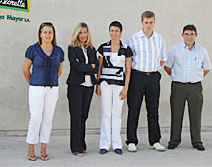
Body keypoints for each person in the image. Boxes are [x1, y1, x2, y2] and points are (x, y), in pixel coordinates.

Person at [164, 24, 212, 151]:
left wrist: (196, 77)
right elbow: (167, 66)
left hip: (195, 87)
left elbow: (207, 69)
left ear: (196, 35)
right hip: (178, 86)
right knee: (176, 113)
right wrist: (177, 76)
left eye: (192, 34)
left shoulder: (202, 51)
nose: (189, 37)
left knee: (195, 114)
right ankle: (174, 140)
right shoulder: (174, 49)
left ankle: (196, 141)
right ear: (182, 35)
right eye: (186, 34)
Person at [125, 11, 167, 152]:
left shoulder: (160, 39)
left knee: (153, 110)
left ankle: (154, 141)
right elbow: (127, 61)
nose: (148, 25)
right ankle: (131, 141)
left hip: (153, 77)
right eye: (146, 22)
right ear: (141, 22)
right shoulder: (133, 39)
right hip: (137, 77)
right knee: (134, 109)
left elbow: (162, 59)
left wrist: (152, 71)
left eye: (151, 22)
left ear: (154, 22)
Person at [23, 22, 64, 161]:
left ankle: (44, 148)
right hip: (36, 87)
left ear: (53, 35)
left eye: (50, 32)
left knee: (48, 119)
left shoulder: (59, 51)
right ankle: (31, 148)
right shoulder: (32, 50)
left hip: (52, 88)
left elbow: (59, 71)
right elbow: (25, 69)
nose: (47, 35)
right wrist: (33, 82)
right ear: (40, 34)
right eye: (45, 32)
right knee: (35, 118)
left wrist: (50, 81)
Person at [96, 21, 133, 155]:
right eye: (112, 30)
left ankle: (117, 144)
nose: (114, 33)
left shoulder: (126, 49)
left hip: (119, 85)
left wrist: (126, 88)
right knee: (106, 113)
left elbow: (128, 70)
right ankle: (104, 144)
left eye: (116, 31)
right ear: (109, 31)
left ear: (121, 32)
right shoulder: (102, 48)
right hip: (105, 84)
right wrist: (98, 85)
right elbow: (99, 68)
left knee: (116, 114)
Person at [66, 22, 98, 157]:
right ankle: (76, 147)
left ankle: (82, 143)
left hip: (89, 86)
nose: (83, 35)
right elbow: (75, 66)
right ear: (77, 34)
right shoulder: (72, 48)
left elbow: (96, 67)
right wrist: (88, 67)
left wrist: (88, 66)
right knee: (76, 117)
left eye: (85, 32)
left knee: (83, 116)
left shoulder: (91, 49)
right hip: (75, 86)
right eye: (80, 32)